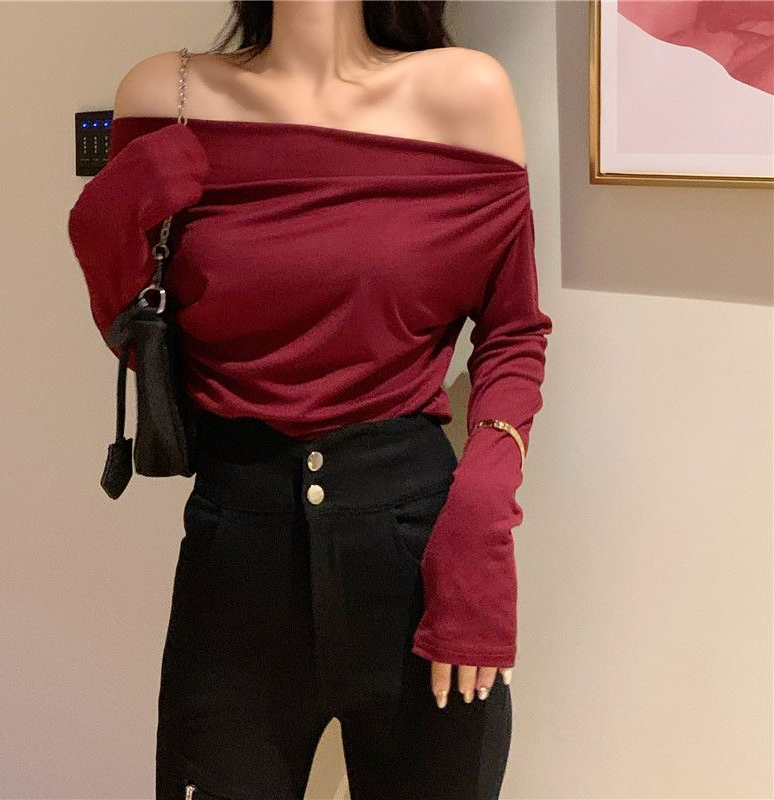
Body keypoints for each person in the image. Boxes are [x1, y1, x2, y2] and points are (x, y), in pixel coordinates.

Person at [67, 3, 553, 798]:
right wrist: (104, 227)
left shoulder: (466, 94)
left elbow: (513, 332)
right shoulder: (165, 96)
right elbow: (136, 332)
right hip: (235, 557)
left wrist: (482, 519)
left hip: (419, 556)